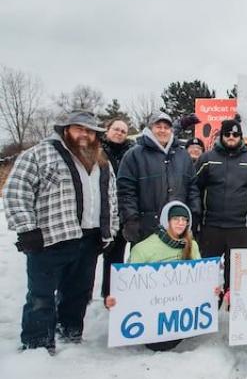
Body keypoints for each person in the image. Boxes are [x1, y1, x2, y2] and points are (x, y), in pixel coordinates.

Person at [2, 111, 119, 354]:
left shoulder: (101, 161)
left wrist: (110, 230)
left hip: (89, 237)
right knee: (41, 295)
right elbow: (16, 192)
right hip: (50, 237)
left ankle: (70, 331)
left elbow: (111, 199)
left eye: (90, 131)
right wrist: (26, 229)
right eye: (79, 129)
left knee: (78, 291)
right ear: (66, 130)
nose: (85, 135)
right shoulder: (40, 154)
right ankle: (37, 344)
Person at [104, 201, 206, 352]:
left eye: (184, 220)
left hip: (179, 314)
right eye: (176, 219)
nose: (180, 223)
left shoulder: (192, 245)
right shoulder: (143, 249)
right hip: (151, 314)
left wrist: (212, 290)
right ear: (166, 221)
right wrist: (116, 300)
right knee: (157, 345)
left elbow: (200, 280)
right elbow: (128, 286)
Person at [194, 118, 247, 289]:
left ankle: (234, 309)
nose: (231, 137)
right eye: (227, 133)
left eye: (235, 134)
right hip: (211, 226)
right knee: (207, 272)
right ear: (221, 135)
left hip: (241, 227)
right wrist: (195, 215)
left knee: (237, 274)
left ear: (241, 137)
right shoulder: (207, 158)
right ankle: (207, 305)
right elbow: (194, 187)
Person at [117, 111, 201, 244]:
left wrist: (194, 214)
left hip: (178, 227)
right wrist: (130, 219)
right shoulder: (133, 155)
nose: (163, 131)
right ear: (150, 129)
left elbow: (193, 188)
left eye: (166, 127)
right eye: (158, 127)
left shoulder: (183, 156)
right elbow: (126, 192)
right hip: (147, 228)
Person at [99, 118, 134, 298]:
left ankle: (117, 294)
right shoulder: (97, 150)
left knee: (120, 256)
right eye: (116, 129)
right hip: (102, 211)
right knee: (105, 257)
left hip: (124, 211)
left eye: (123, 131)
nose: (119, 133)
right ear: (107, 130)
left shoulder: (131, 152)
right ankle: (107, 294)